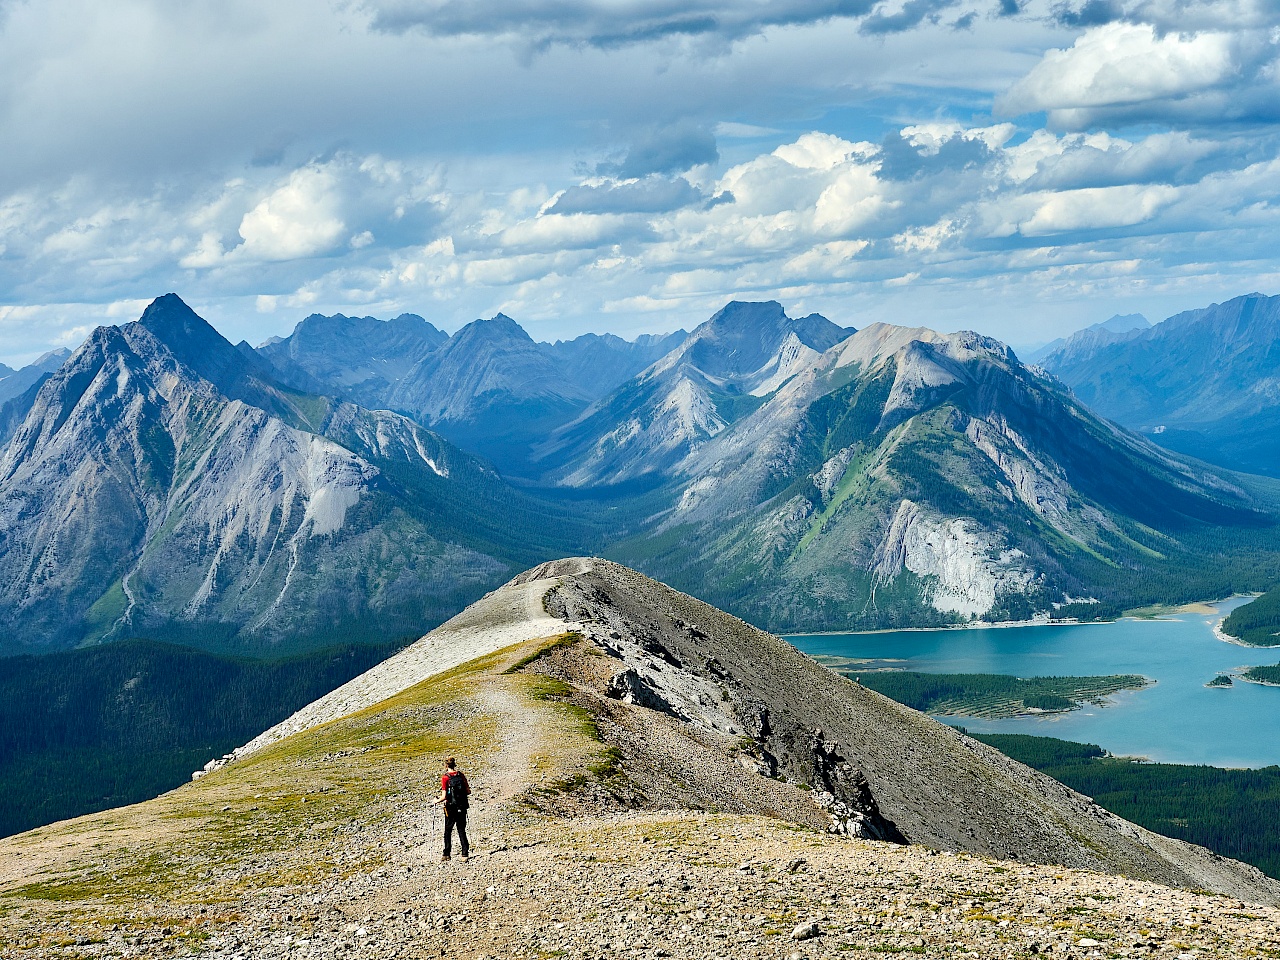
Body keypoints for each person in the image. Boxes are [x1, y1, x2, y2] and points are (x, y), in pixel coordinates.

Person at [430, 756, 470, 861]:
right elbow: (468, 791)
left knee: (448, 830)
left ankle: (446, 854)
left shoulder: (445, 777)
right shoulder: (461, 775)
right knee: (461, 830)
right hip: (462, 806)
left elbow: (443, 797)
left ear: (446, 765)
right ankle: (464, 854)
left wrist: (436, 801)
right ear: (454, 764)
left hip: (450, 807)